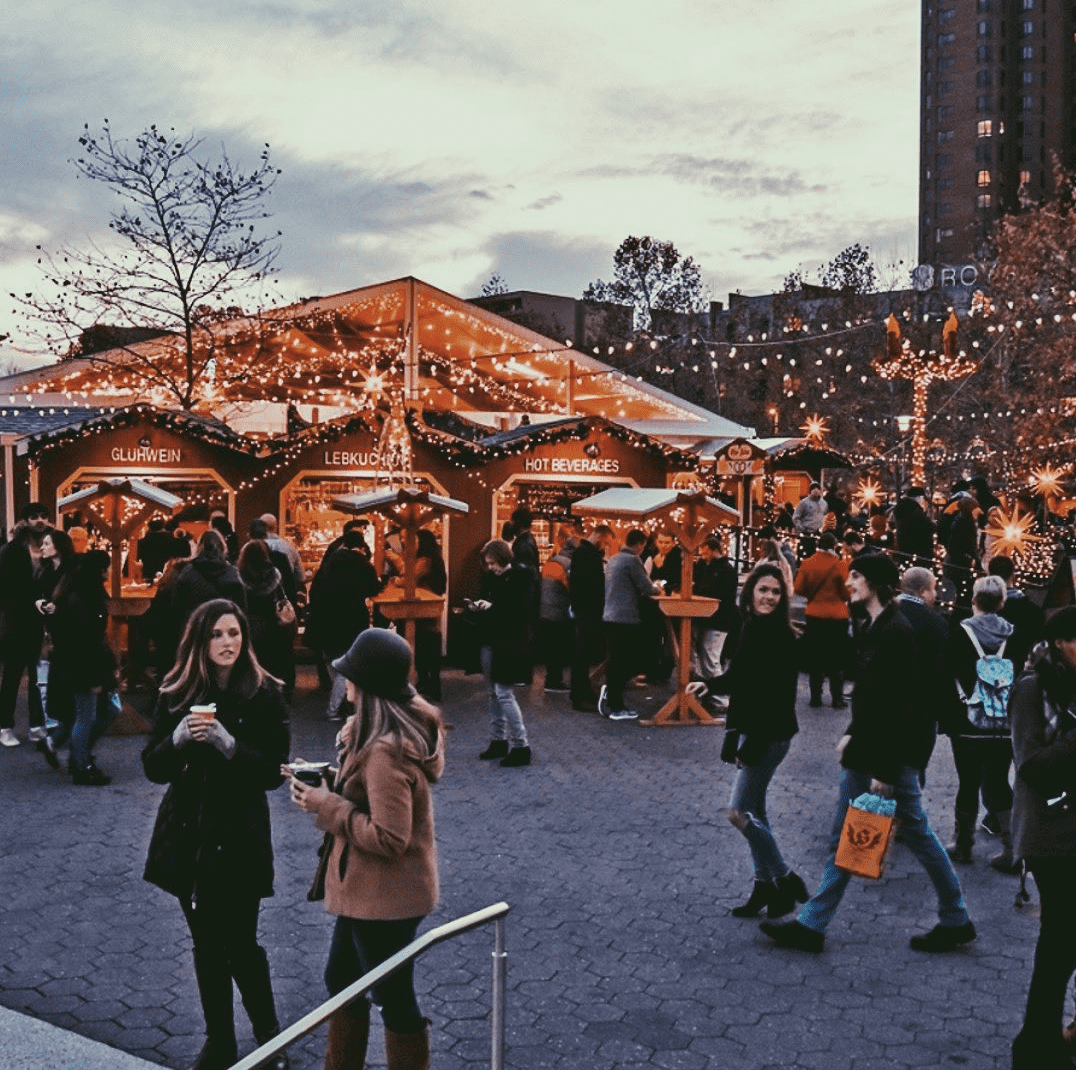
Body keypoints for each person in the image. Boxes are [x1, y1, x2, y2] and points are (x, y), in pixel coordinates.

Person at [761, 552, 976, 954]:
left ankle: (955, 915)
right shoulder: (878, 624)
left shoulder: (895, 630)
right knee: (851, 834)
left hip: (885, 757)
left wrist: (886, 768)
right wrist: (853, 732)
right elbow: (874, 697)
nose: (850, 582)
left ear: (874, 583)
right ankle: (813, 923)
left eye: (856, 575)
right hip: (871, 751)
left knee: (910, 833)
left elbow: (901, 704)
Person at [284, 628, 444, 1070]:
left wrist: (327, 805)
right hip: (372, 892)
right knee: (343, 979)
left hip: (386, 895)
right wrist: (328, 781)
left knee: (391, 995)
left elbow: (391, 837)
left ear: (367, 686)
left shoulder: (384, 752)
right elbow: (373, 800)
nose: (344, 681)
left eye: (351, 674)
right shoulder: (376, 736)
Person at [142, 600, 290, 1070]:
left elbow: (272, 772)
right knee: (206, 943)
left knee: (241, 943)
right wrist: (179, 738)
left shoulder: (265, 693)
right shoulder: (176, 692)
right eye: (218, 635)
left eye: (235, 633)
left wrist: (230, 745)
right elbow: (153, 766)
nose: (228, 642)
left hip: (240, 833)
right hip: (189, 833)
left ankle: (269, 1038)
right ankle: (220, 1041)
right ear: (200, 641)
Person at [691, 564, 807, 919]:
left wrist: (751, 740)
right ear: (751, 592)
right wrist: (710, 685)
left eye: (775, 592)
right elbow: (742, 678)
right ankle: (765, 886)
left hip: (768, 733)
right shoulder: (751, 626)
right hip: (754, 728)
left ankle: (785, 878)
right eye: (763, 590)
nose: (769, 597)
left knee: (738, 812)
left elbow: (774, 694)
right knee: (756, 813)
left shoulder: (780, 635)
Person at [1009, 607, 1076, 1070]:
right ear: (1059, 644)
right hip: (1052, 835)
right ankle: (1036, 1047)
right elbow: (1031, 766)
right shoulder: (1032, 689)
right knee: (1058, 944)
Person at [940, 575, 1017, 871]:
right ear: (1002, 602)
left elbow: (944, 675)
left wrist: (947, 719)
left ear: (974, 599)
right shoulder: (1014, 635)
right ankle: (1012, 848)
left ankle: (963, 844)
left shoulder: (958, 633)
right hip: (1003, 724)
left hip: (967, 723)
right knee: (998, 781)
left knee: (968, 782)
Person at [47, 549, 120, 785]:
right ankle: (81, 764)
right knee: (88, 715)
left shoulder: (78, 594)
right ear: (99, 570)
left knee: (93, 713)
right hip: (85, 666)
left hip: (79, 664)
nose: (109, 571)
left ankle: (79, 758)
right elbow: (87, 640)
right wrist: (96, 675)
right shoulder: (86, 599)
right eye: (106, 567)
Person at [306, 528, 383, 722]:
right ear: (360, 546)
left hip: (326, 618)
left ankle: (342, 702)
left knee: (334, 662)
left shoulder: (329, 562)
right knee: (348, 664)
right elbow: (373, 589)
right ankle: (334, 708)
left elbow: (316, 590)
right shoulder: (363, 565)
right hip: (352, 618)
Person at [472, 538, 535, 766]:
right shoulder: (496, 578)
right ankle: (499, 740)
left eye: (493, 563)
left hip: (510, 642)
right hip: (494, 639)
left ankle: (520, 744)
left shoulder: (522, 578)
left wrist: (491, 607)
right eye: (488, 564)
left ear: (502, 558)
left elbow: (521, 612)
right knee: (494, 693)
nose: (491, 568)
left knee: (502, 693)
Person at [0, 503, 53, 747]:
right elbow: (7, 587)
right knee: (11, 675)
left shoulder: (48, 548)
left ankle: (36, 725)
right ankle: (5, 726)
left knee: (38, 677)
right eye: (34, 517)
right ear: (25, 521)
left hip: (38, 620)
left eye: (43, 516)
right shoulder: (12, 550)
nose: (40, 521)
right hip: (15, 619)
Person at [600, 528, 661, 721]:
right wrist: (659, 588)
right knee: (624, 660)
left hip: (609, 614)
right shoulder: (632, 560)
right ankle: (616, 704)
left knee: (615, 658)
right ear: (640, 544)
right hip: (625, 617)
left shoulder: (614, 558)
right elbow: (647, 587)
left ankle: (611, 693)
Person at [165, 530, 248, 670]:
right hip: (222, 629)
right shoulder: (232, 573)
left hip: (194, 626)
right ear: (222, 547)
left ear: (199, 547)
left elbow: (176, 606)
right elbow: (242, 607)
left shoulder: (188, 572)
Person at [895, 566, 950, 777]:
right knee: (913, 776)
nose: (935, 595)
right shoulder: (936, 624)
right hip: (920, 711)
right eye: (933, 589)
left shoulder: (884, 614)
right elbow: (941, 671)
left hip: (884, 708)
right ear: (922, 590)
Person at [794, 532, 850, 709]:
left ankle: (815, 697)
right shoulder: (840, 565)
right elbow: (847, 592)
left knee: (816, 657)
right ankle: (837, 698)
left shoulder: (808, 563)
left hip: (814, 614)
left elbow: (799, 588)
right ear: (834, 545)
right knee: (837, 658)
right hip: (837, 615)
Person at [237, 538, 295, 692]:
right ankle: (272, 694)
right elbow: (282, 598)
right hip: (271, 625)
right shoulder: (273, 574)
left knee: (250, 663)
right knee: (271, 664)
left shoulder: (239, 575)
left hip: (247, 624)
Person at [567, 525, 614, 713]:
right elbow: (591, 585)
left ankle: (581, 691)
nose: (605, 546)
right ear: (599, 536)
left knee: (582, 654)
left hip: (583, 609)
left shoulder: (582, 553)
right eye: (605, 542)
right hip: (588, 610)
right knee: (583, 654)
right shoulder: (587, 555)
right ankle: (579, 695)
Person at [691, 534, 739, 682]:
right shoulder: (715, 568)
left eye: (705, 553)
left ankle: (719, 697)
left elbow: (716, 593)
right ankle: (710, 693)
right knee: (707, 655)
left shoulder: (725, 570)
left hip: (719, 619)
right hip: (713, 618)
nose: (703, 557)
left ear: (713, 551)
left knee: (710, 656)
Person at [538, 524, 576, 693]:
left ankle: (551, 679)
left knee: (550, 648)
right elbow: (570, 588)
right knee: (558, 649)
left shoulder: (551, 561)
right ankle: (554, 681)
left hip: (545, 610)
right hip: (558, 612)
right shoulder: (567, 565)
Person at [413, 528, 447, 702]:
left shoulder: (424, 560)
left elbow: (409, 578)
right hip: (433, 610)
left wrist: (395, 580)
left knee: (422, 646)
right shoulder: (436, 559)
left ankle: (426, 684)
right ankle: (433, 684)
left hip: (423, 610)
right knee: (432, 645)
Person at [259, 513, 305, 596]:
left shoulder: (254, 547)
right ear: (276, 527)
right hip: (285, 596)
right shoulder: (290, 547)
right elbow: (300, 577)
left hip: (261, 596)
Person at [892, 486, 936, 568]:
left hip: (905, 552)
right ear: (919, 498)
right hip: (919, 554)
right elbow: (928, 527)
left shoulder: (903, 509)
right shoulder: (916, 512)